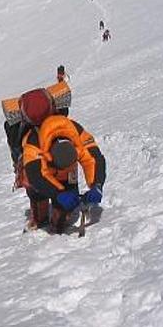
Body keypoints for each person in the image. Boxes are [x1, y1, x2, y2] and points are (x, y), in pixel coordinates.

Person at [18, 97, 107, 232]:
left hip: (67, 175)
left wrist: (97, 184)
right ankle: (39, 218)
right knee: (38, 197)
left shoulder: (75, 132)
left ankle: (57, 220)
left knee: (62, 217)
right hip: (40, 172)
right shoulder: (33, 142)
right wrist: (57, 193)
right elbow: (36, 176)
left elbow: (93, 159)